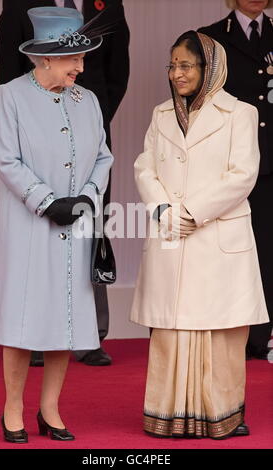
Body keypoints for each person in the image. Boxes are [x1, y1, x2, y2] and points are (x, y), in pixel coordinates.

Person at [130, 31, 269, 439]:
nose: (176, 73)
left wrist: (193, 211)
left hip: (216, 237)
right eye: (172, 65)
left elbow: (243, 174)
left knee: (220, 333)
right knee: (172, 330)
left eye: (185, 65)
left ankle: (221, 413)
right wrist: (163, 209)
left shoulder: (239, 113)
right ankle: (167, 414)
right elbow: (144, 166)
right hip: (172, 233)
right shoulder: (160, 114)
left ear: (210, 69)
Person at [0, 6, 114, 443]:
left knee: (68, 319)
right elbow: (7, 160)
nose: (81, 67)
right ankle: (12, 409)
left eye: (82, 59)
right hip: (29, 227)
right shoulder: (11, 96)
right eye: (73, 59)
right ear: (44, 58)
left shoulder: (90, 100)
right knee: (24, 321)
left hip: (76, 226)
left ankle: (50, 410)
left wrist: (86, 198)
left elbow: (103, 156)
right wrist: (46, 201)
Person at [198, 0, 273, 360]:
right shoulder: (211, 39)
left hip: (271, 161)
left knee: (268, 251)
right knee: (230, 250)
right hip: (227, 165)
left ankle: (261, 337)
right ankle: (230, 333)